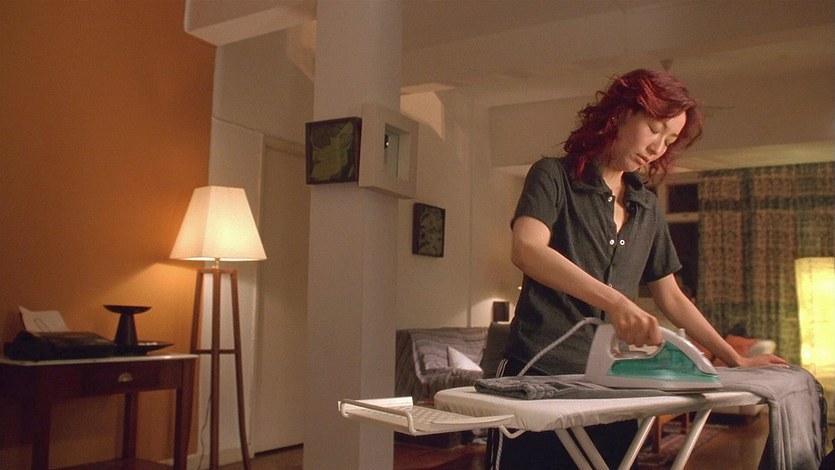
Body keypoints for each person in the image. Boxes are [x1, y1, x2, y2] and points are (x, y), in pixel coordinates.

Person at [487, 69, 788, 469]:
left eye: (669, 140)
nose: (658, 147)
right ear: (620, 114)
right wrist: (616, 302)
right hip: (538, 370)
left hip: (612, 380)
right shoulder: (554, 176)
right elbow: (527, 248)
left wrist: (735, 358)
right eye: (654, 129)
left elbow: (672, 297)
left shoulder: (646, 207)